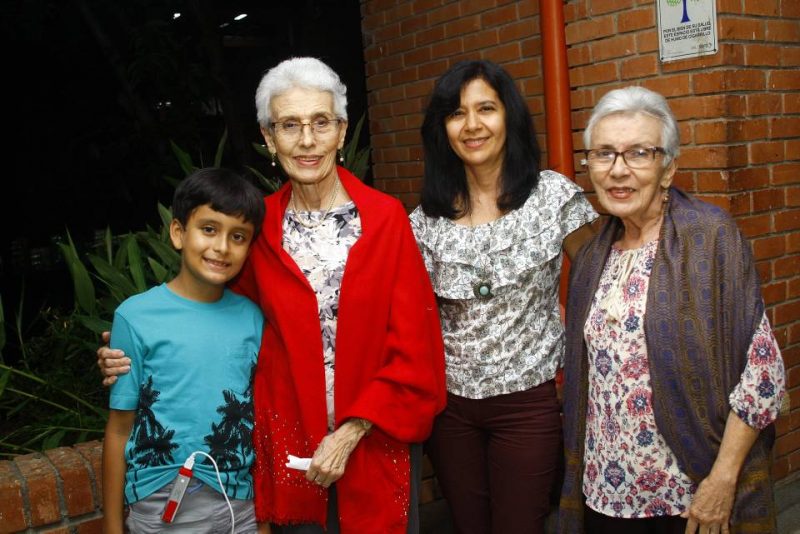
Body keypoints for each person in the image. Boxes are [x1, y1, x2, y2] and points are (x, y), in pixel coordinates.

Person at [99, 57, 446, 534]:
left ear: (342, 132)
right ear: (269, 138)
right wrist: (128, 352)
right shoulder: (255, 229)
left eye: (321, 123)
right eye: (289, 125)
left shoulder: (385, 221)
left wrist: (351, 431)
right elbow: (208, 310)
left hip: (373, 438)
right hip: (287, 446)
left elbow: (417, 349)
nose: (307, 141)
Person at [559, 86, 786, 533]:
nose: (617, 170)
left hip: (687, 499)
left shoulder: (711, 238)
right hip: (605, 493)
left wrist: (722, 480)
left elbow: (764, 376)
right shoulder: (590, 255)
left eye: (639, 153)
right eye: (603, 154)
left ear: (668, 169)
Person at [409, 59, 598, 534]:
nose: (472, 125)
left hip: (528, 405)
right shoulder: (423, 221)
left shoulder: (553, 197)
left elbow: (603, 279)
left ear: (509, 116)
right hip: (450, 411)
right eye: (457, 113)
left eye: (486, 109)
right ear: (443, 129)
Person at [102, 167, 267, 533]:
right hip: (162, 500)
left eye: (238, 236)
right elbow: (118, 430)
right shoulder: (135, 317)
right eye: (208, 229)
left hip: (240, 503)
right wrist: (111, 525)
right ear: (178, 232)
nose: (222, 247)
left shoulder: (253, 319)